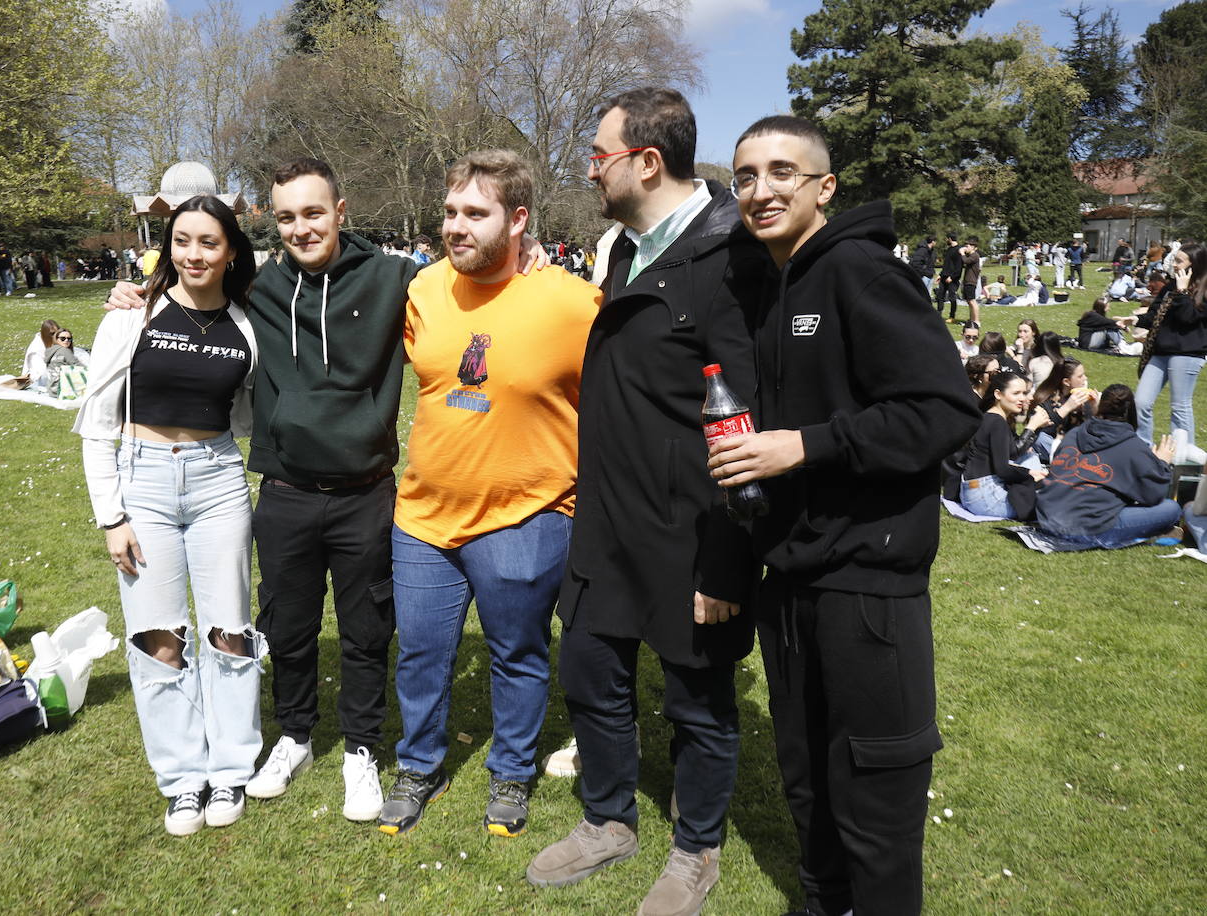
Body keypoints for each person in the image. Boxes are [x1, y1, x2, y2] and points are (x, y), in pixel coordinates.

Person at [104, 158, 550, 825]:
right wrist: (138, 294)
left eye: (314, 213)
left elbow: (475, 264)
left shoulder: (398, 278)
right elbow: (194, 286)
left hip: (365, 492)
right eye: (286, 217)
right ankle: (295, 736)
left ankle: (363, 750)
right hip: (283, 488)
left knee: (368, 627)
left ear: (341, 211)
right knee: (287, 623)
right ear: (272, 221)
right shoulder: (257, 286)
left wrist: (529, 251)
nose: (301, 228)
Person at [707, 114, 980, 916]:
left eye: (783, 172)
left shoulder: (863, 273)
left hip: (868, 585)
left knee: (874, 795)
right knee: (807, 781)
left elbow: (942, 410)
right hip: (786, 582)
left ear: (825, 186)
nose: (762, 190)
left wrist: (805, 446)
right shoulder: (761, 284)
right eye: (747, 175)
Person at [526, 87, 758, 916]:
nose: (591, 170)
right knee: (590, 668)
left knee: (698, 699)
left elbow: (746, 419)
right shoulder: (624, 248)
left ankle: (696, 849)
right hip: (607, 517)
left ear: (646, 162)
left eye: (599, 156)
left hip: (693, 528)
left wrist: (729, 559)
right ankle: (608, 820)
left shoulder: (734, 256)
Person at [377, 150, 600, 840]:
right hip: (423, 516)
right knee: (419, 650)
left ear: (519, 220)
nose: (456, 226)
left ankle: (510, 771)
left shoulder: (571, 302)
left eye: (476, 213)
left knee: (518, 652)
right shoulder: (420, 291)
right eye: (450, 212)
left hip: (526, 516)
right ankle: (417, 765)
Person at [74, 194, 263, 837]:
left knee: (229, 629)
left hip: (218, 482)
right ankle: (184, 780)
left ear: (231, 251)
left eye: (209, 243)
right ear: (166, 246)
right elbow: (98, 425)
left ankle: (231, 770)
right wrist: (111, 515)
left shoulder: (248, 323)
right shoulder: (133, 318)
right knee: (159, 638)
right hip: (143, 482)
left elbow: (255, 409)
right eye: (182, 241)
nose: (193, 254)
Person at [1036, 384, 1180, 548]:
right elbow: (1153, 494)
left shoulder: (1075, 433)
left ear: (1100, 407)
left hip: (1046, 517)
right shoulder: (1133, 446)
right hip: (1081, 528)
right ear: (1131, 411)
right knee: (1171, 509)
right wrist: (1161, 462)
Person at [1133, 243, 1207, 457]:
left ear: (1195, 264)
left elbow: (1188, 318)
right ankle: (1143, 451)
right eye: (1174, 260)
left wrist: (1183, 291)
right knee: (1141, 402)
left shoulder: (1203, 288)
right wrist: (1134, 319)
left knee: (1180, 407)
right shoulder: (1170, 286)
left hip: (1187, 353)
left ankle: (1184, 457)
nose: (1174, 264)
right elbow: (1155, 314)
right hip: (1161, 352)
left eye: (1179, 261)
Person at [959, 371, 1046, 520]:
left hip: (973, 492)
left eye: (1024, 393)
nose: (1022, 398)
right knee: (1047, 505)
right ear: (998, 394)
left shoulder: (991, 416)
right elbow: (1003, 470)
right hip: (984, 497)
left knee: (1031, 460)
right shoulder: (997, 422)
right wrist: (1030, 474)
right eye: (1016, 393)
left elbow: (1012, 453)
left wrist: (1034, 427)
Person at [44, 328, 86, 397]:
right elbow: (78, 365)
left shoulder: (50, 351)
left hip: (51, 389)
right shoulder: (64, 351)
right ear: (56, 339)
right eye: (63, 338)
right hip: (62, 390)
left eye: (69, 339)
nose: (66, 340)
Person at [23, 319, 60, 390]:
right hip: (37, 382)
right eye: (52, 334)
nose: (55, 336)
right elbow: (41, 373)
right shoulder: (36, 350)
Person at [937, 234, 962, 321]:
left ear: (950, 239)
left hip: (952, 278)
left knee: (952, 297)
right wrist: (940, 275)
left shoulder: (958, 250)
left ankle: (952, 316)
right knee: (940, 296)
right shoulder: (949, 249)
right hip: (944, 277)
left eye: (946, 239)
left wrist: (952, 277)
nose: (946, 240)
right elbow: (946, 265)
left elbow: (959, 267)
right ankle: (938, 315)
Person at [961, 236, 981, 326]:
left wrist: (962, 253)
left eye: (968, 246)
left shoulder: (975, 255)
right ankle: (971, 320)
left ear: (973, 247)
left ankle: (976, 321)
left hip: (971, 281)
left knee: (972, 301)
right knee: (969, 301)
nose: (966, 248)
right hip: (967, 281)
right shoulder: (971, 255)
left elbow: (966, 261)